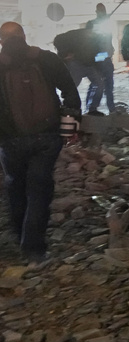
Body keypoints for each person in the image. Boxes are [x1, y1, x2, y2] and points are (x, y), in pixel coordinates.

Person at [0, 22, 81, 264]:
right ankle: (33, 248)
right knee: (39, 189)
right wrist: (70, 127)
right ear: (24, 36)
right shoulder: (46, 59)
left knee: (15, 185)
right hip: (47, 137)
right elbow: (70, 93)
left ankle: (19, 234)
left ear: (1, 40)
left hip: (9, 140)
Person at [53, 24, 102, 112]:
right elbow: (59, 41)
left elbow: (96, 53)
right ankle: (67, 105)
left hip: (87, 64)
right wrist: (65, 56)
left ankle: (92, 108)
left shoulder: (95, 40)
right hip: (77, 63)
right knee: (72, 86)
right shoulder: (76, 35)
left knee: (98, 84)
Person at [86, 4, 115, 116]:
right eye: (101, 10)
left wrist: (111, 50)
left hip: (107, 59)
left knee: (109, 85)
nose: (102, 12)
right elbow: (89, 42)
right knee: (97, 84)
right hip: (97, 59)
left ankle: (111, 108)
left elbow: (108, 39)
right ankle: (92, 107)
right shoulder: (92, 24)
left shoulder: (107, 24)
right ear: (97, 11)